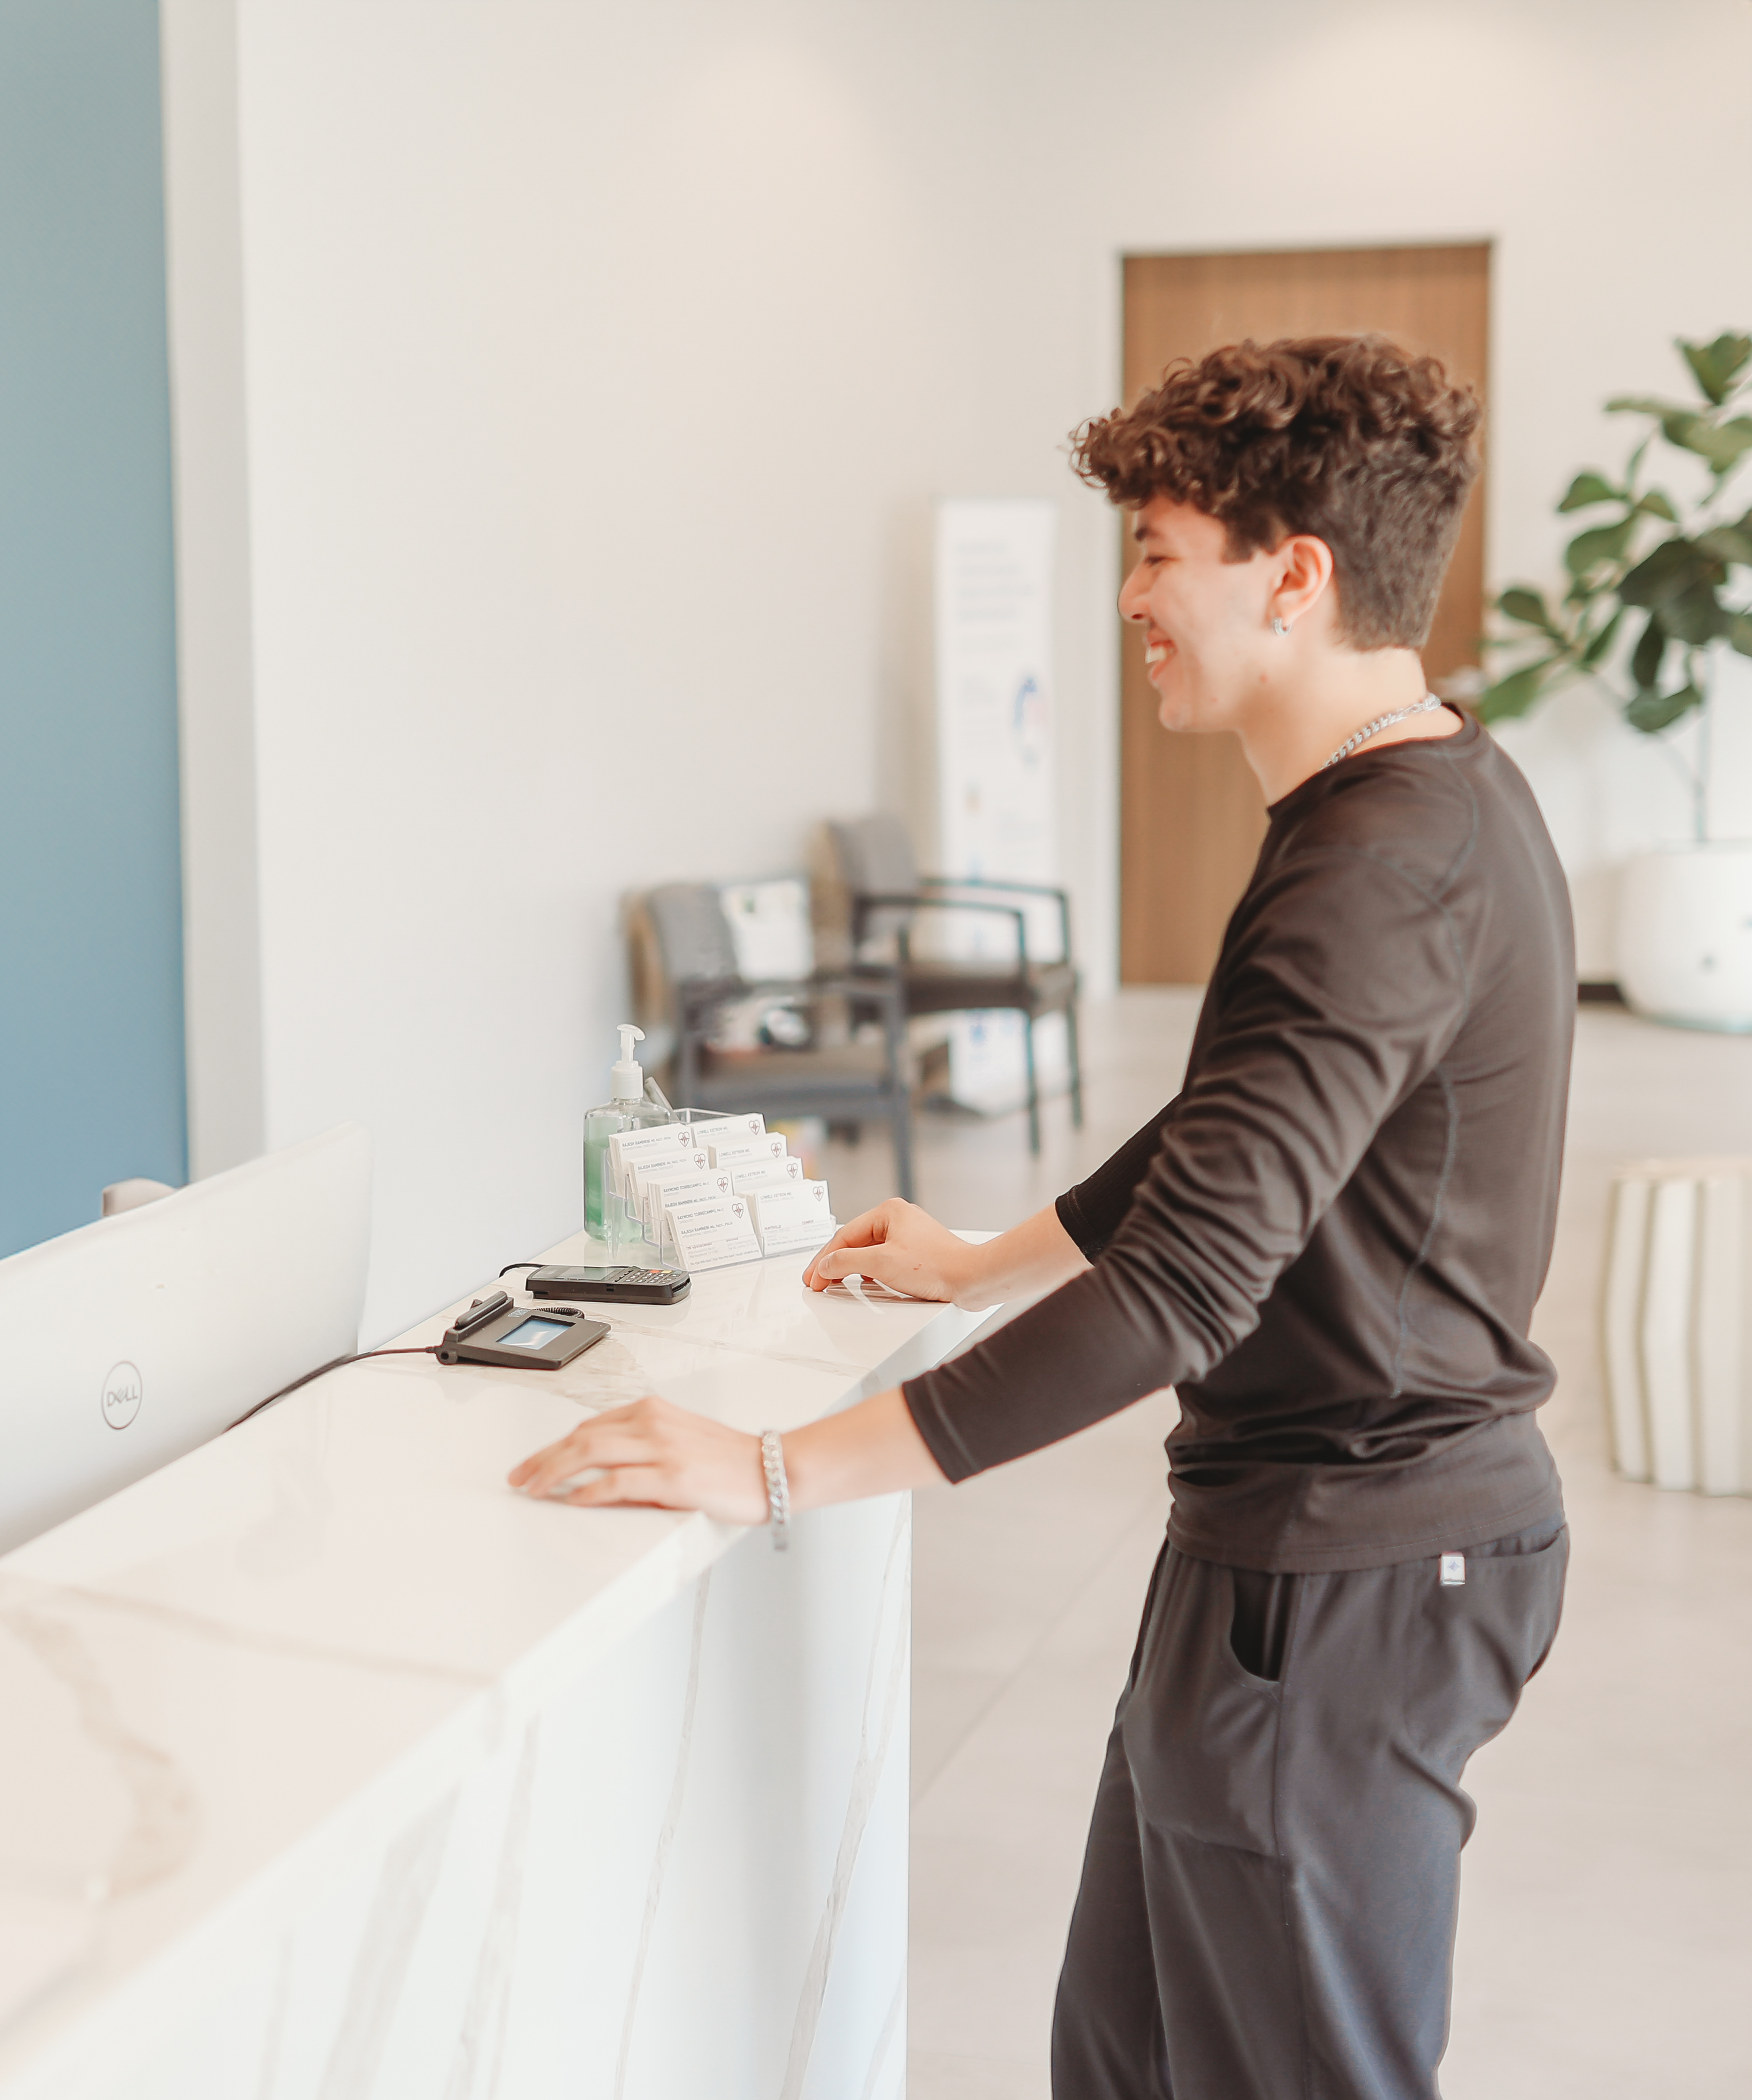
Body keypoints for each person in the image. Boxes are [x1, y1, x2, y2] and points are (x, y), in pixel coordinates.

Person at [509, 337, 1571, 2100]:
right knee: (1125, 2058)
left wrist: (775, 1469)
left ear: (1293, 576)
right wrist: (990, 1259)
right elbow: (1240, 1123)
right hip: (1286, 1551)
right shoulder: (1424, 790)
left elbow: (1186, 1283)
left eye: (1160, 552)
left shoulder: (1376, 865)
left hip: (1349, 1568)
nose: (1132, 600)